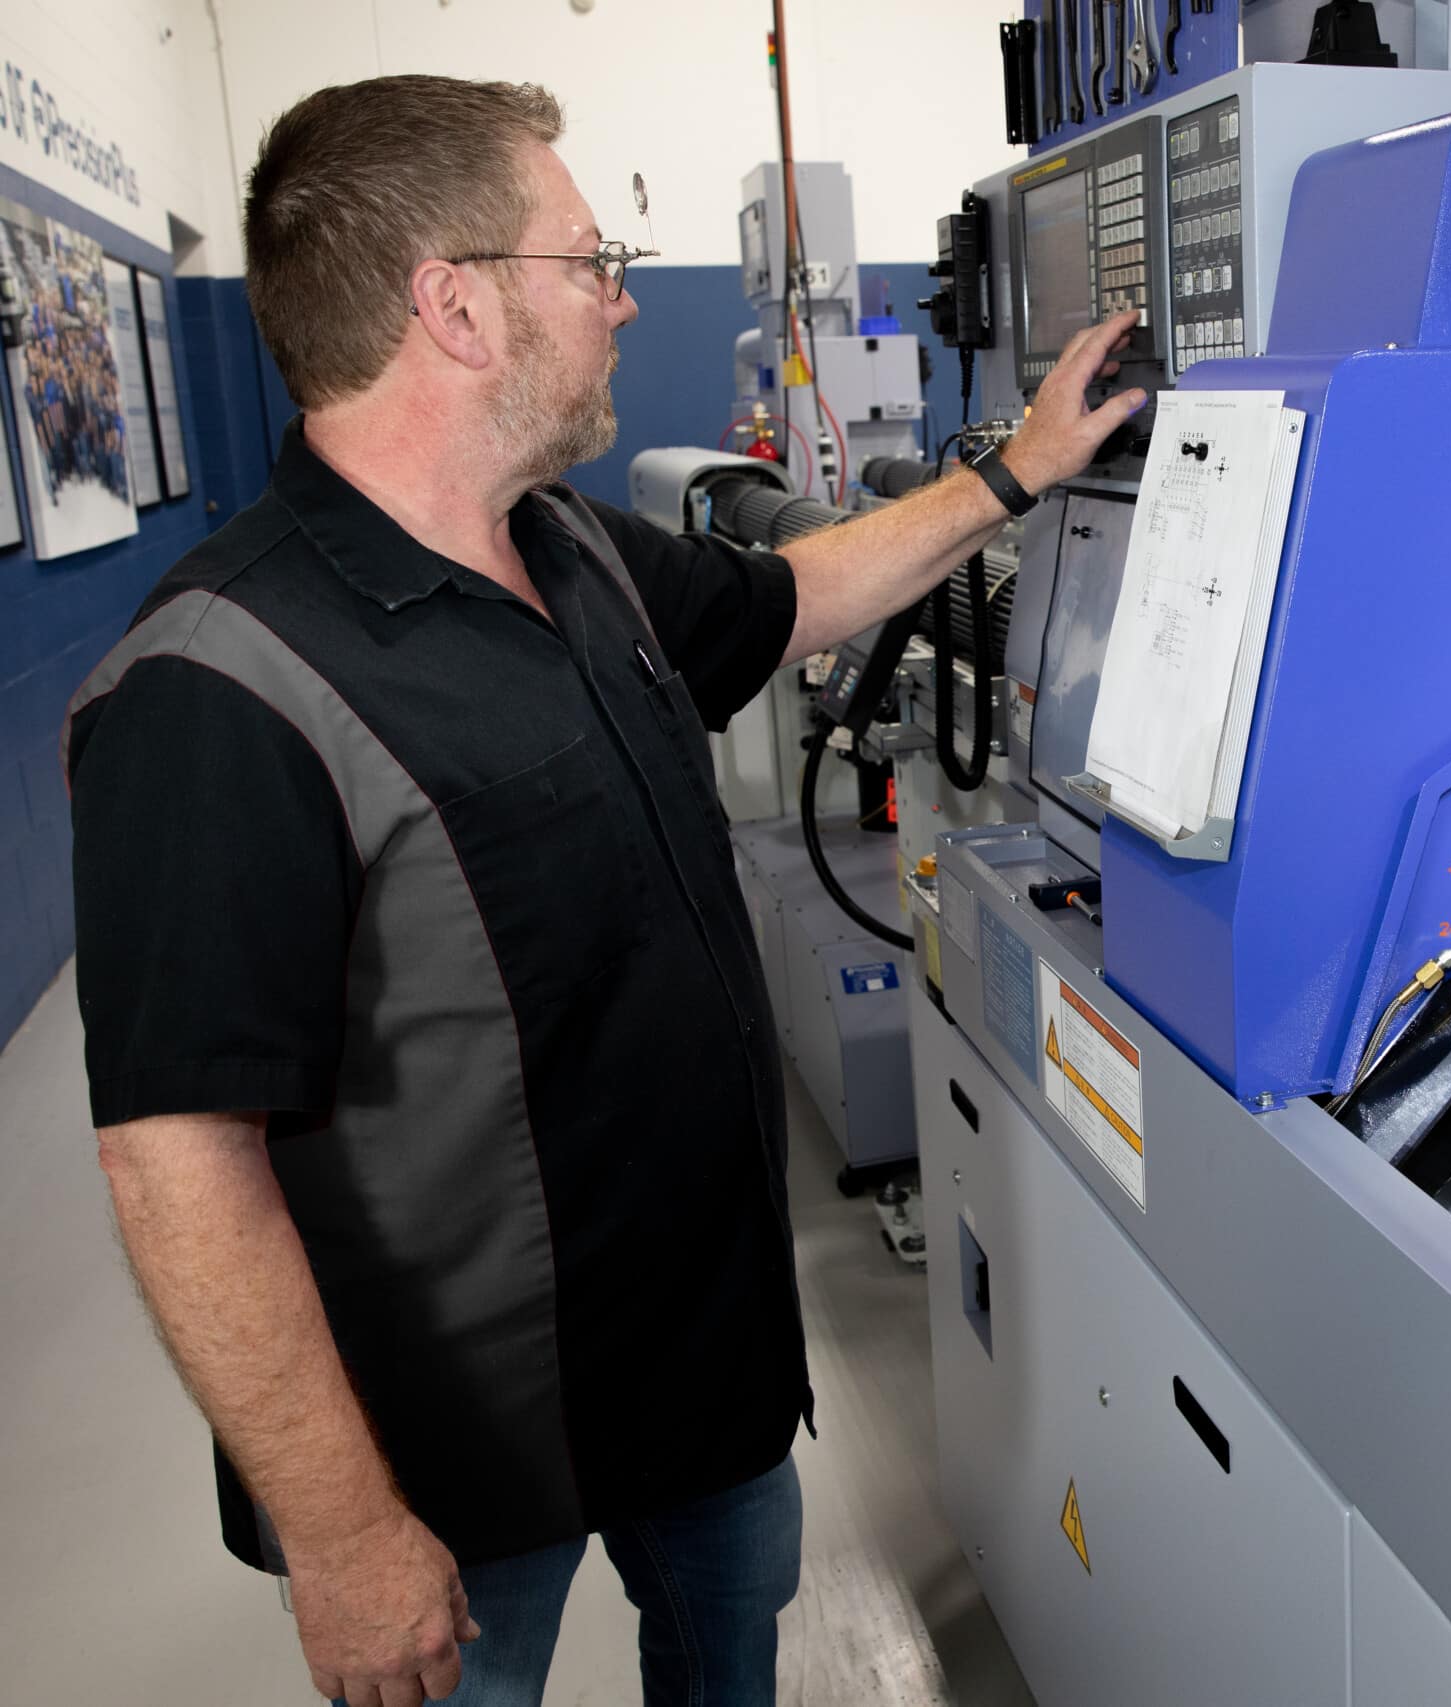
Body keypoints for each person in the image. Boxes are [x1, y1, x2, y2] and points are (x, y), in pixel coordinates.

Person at [65, 74, 1144, 1707]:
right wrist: (346, 1535)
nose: (624, 294)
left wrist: (1014, 477)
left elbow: (792, 597)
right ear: (456, 303)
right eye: (591, 259)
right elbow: (178, 1163)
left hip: (697, 1383)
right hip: (454, 1453)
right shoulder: (219, 689)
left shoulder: (564, 545)